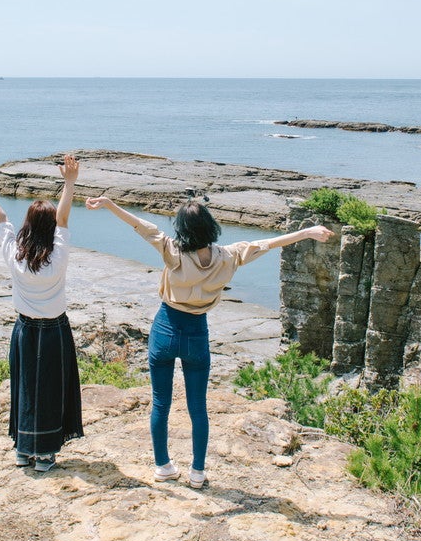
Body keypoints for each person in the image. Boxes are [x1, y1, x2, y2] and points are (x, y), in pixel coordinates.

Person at [85, 194, 334, 488]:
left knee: (160, 404)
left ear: (182, 229)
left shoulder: (172, 251)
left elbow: (142, 226)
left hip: (165, 327)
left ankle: (163, 466)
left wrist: (110, 205)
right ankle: (198, 472)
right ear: (210, 226)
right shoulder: (229, 256)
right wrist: (307, 232)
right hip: (195, 333)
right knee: (198, 407)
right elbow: (269, 243)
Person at [0, 155, 83, 472]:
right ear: (51, 228)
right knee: (51, 389)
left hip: (24, 330)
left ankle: (24, 451)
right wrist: (70, 182)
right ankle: (47, 454)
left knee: (25, 387)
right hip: (54, 330)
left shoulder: (15, 255)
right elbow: (64, 218)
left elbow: (1, 217)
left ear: (28, 225)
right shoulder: (59, 256)